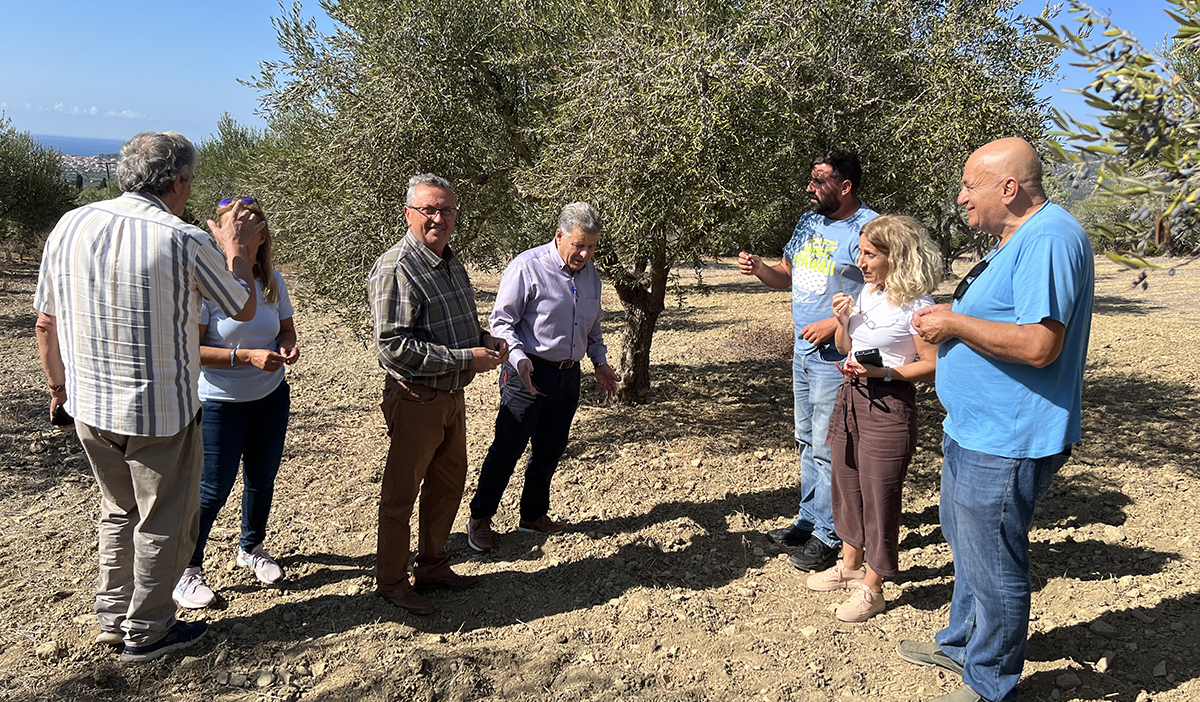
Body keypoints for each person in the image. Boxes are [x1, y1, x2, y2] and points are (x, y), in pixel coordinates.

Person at [34, 131, 261, 662]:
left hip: (88, 404)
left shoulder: (70, 224)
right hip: (160, 411)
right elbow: (243, 308)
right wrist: (238, 249)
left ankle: (113, 620)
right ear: (179, 181)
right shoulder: (182, 239)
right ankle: (149, 631)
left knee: (117, 510)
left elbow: (46, 322)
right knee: (162, 521)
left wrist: (58, 391)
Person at [898, 137, 1094, 702]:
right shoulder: (1018, 239)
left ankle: (989, 682)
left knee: (996, 561)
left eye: (969, 186)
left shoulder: (1050, 239)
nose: (961, 198)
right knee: (970, 547)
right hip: (975, 427)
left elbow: (1039, 344)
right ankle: (961, 643)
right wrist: (953, 316)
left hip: (1010, 435)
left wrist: (955, 327)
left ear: (1009, 189)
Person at [367, 173, 509, 615]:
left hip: (449, 399)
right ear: (408, 213)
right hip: (416, 399)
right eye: (428, 209)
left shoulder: (450, 263)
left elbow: (458, 327)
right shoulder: (396, 267)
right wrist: (467, 358)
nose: (438, 218)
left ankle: (431, 565)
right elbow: (393, 346)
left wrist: (486, 339)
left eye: (446, 210)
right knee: (401, 496)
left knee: (447, 487)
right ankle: (391, 581)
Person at [738, 150, 878, 573]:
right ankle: (810, 518)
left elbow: (880, 290)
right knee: (806, 440)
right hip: (803, 353)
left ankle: (832, 533)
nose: (809, 188)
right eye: (811, 180)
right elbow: (787, 273)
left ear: (845, 186)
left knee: (828, 445)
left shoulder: (867, 228)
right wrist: (762, 268)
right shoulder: (808, 222)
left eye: (819, 181)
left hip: (836, 353)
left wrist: (831, 323)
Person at [805, 215, 941, 622]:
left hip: (889, 404)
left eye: (869, 254)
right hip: (852, 398)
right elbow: (848, 345)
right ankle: (849, 565)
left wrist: (884, 373)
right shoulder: (867, 292)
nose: (861, 262)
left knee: (880, 495)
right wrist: (844, 323)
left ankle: (873, 586)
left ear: (894, 255)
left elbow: (932, 366)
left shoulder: (918, 306)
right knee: (847, 484)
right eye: (861, 252)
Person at [465, 202, 621, 552]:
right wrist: (517, 359)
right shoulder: (527, 267)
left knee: (549, 450)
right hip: (526, 373)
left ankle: (532, 516)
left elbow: (592, 326)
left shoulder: (590, 273)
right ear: (559, 236)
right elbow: (502, 321)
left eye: (592, 247)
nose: (584, 253)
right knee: (507, 450)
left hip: (568, 377)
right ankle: (480, 518)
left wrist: (599, 362)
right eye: (579, 245)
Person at [172, 197, 300, 609]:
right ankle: (187, 570)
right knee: (212, 488)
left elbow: (286, 331)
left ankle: (252, 548)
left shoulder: (272, 282)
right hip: (220, 403)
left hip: (269, 396)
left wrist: (286, 347)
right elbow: (191, 349)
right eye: (236, 229)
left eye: (251, 228)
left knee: (262, 479)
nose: (244, 237)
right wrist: (244, 357)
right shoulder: (209, 284)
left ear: (262, 236)